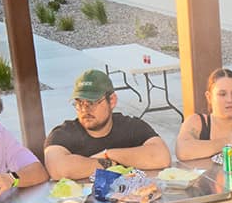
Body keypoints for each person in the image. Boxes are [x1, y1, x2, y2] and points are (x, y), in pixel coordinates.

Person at [44, 69, 172, 178]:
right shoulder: (63, 134)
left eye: (92, 103)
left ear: (112, 101)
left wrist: (108, 154)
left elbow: (162, 157)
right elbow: (58, 169)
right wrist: (112, 164)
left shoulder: (131, 126)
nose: (85, 110)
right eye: (79, 103)